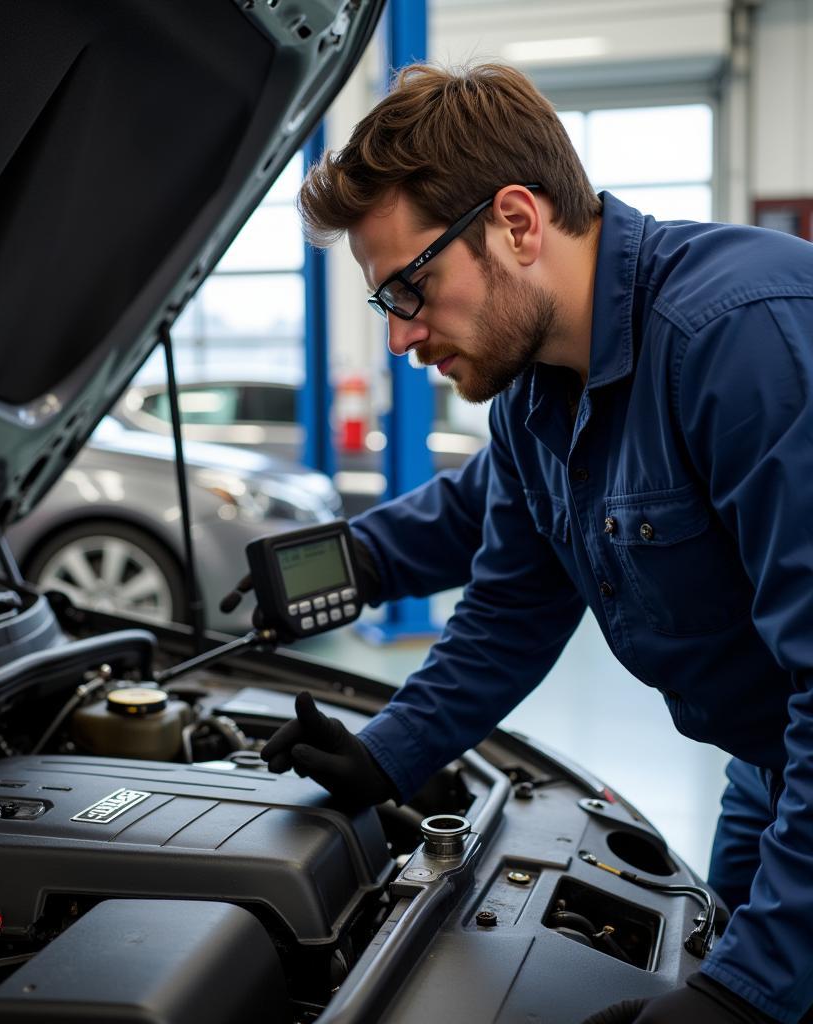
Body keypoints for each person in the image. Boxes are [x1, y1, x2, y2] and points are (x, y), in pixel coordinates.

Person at [259, 62, 813, 1023]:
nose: (401, 339)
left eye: (410, 287)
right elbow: (511, 608)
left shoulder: (742, 339)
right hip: (771, 765)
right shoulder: (530, 404)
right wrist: (385, 755)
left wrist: (750, 996)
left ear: (516, 222)